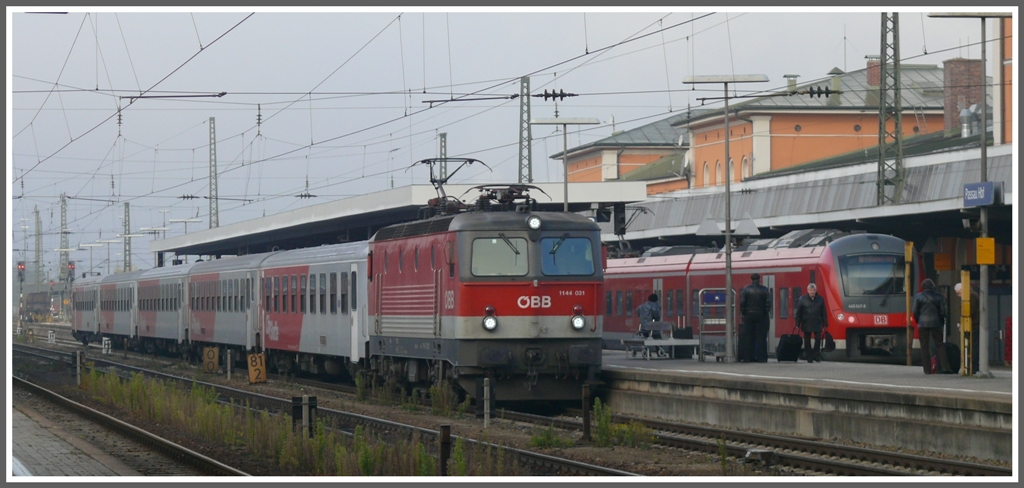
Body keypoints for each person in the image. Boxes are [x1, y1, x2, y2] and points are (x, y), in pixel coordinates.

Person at [912, 279, 952, 374]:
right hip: (936, 323)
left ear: (923, 287)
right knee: (939, 345)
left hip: (923, 324)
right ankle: (945, 367)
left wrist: (919, 320)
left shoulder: (918, 296)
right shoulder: (939, 296)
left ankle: (927, 370)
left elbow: (915, 311)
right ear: (933, 286)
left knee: (924, 347)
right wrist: (942, 322)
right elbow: (943, 311)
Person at [739, 273, 771, 363]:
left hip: (748, 316)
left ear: (751, 279)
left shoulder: (746, 289)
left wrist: (744, 312)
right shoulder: (764, 289)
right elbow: (768, 303)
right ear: (759, 279)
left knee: (748, 337)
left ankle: (748, 357)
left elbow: (742, 303)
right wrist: (765, 312)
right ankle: (762, 358)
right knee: (761, 338)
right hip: (761, 315)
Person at [794, 283, 828, 363]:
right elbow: (798, 312)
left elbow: (824, 312)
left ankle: (816, 355)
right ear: (808, 291)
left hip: (817, 321)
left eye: (813, 290)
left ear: (816, 291)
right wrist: (797, 324)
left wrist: (825, 323)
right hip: (806, 322)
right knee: (807, 340)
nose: (812, 292)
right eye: (811, 290)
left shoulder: (820, 299)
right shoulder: (802, 299)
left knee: (818, 339)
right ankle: (809, 356)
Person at [954, 282, 981, 372]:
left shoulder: (971, 296)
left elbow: (970, 311)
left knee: (972, 347)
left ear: (962, 290)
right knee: (972, 347)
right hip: (972, 325)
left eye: (958, 293)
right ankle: (972, 366)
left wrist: (963, 322)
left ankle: (973, 367)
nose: (958, 296)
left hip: (973, 325)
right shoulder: (972, 295)